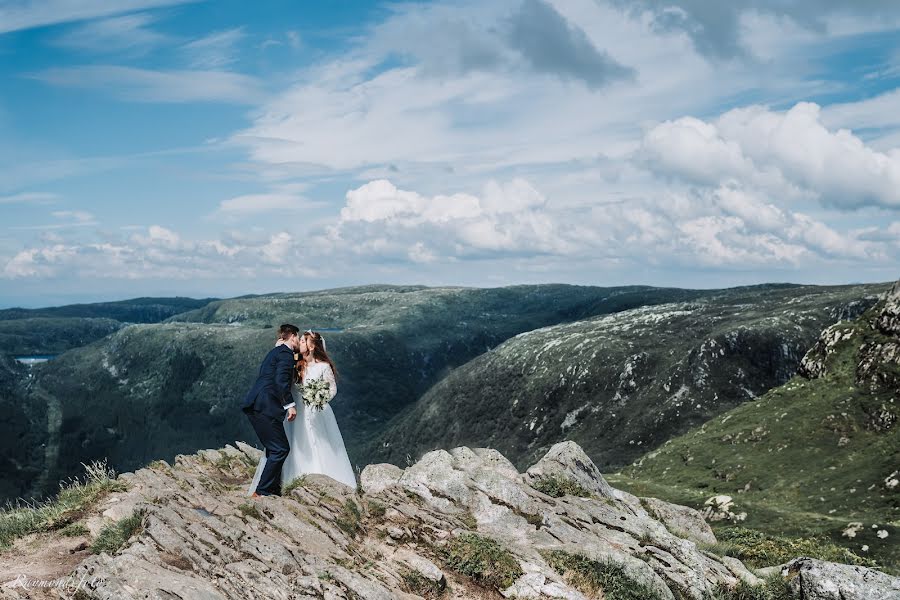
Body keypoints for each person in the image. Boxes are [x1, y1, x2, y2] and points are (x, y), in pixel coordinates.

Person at [249, 329, 356, 493]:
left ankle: (320, 477)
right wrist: (280, 345)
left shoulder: (323, 366)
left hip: (315, 412)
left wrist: (318, 399)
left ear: (312, 347)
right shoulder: (298, 361)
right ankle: (287, 481)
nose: (300, 343)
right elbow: (284, 363)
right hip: (295, 411)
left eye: (304, 341)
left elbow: (332, 389)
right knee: (293, 443)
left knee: (317, 442)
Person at [241, 324, 299, 496]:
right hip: (266, 406)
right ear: (293, 336)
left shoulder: (276, 352)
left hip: (257, 405)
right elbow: (281, 381)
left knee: (275, 449)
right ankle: (261, 492)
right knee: (281, 449)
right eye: (298, 337)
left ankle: (271, 488)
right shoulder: (285, 354)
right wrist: (290, 405)